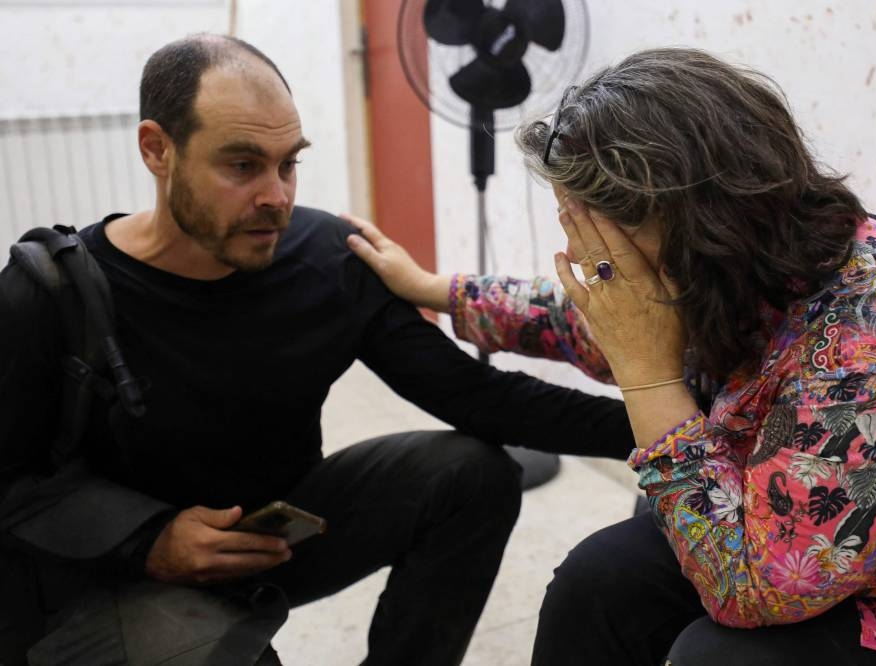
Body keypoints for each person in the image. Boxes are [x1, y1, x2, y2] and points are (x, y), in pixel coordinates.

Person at [346, 47, 876, 665]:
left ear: (687, 218)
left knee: (718, 657)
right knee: (597, 582)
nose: (580, 256)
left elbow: (752, 590)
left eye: (590, 232)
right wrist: (441, 291)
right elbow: (591, 313)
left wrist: (647, 376)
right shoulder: (737, 265)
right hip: (804, 533)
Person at [0, 34, 636, 666]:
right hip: (118, 572)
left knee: (472, 475)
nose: (276, 196)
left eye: (288, 163)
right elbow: (14, 484)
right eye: (242, 166)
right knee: (227, 650)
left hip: (274, 537)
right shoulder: (53, 291)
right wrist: (147, 538)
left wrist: (670, 428)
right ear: (157, 149)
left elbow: (478, 399)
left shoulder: (327, 259)